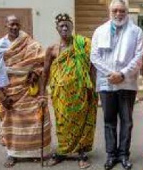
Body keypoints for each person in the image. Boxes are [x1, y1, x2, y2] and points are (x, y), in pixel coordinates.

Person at [90, 0, 143, 169]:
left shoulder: (136, 31)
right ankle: (111, 155)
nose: (118, 14)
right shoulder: (100, 31)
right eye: (115, 10)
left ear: (127, 12)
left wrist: (122, 74)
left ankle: (123, 155)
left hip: (127, 83)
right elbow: (94, 56)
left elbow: (139, 57)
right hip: (107, 84)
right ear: (110, 11)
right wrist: (111, 74)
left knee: (127, 121)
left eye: (122, 11)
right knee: (109, 120)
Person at [40, 13, 97, 169]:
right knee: (62, 123)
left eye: (67, 25)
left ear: (72, 27)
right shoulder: (52, 48)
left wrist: (93, 86)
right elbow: (45, 71)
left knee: (80, 122)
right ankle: (62, 151)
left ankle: (81, 153)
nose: (64, 28)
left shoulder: (82, 44)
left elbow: (92, 67)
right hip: (60, 95)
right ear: (57, 28)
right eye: (61, 26)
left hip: (81, 92)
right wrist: (42, 93)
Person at [0, 15, 51, 168]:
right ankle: (12, 154)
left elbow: (41, 62)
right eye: (11, 24)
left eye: (17, 24)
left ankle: (34, 152)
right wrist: (1, 94)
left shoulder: (31, 44)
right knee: (10, 123)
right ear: (6, 25)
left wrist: (36, 72)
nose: (14, 27)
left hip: (29, 88)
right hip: (9, 90)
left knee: (34, 120)